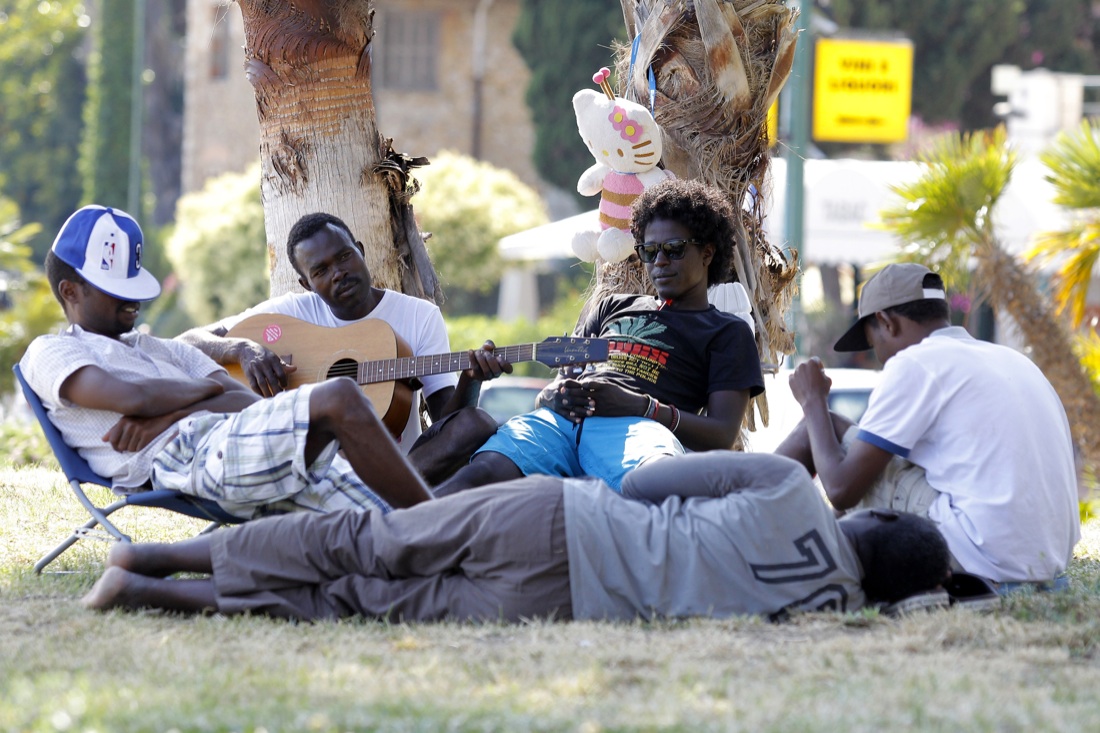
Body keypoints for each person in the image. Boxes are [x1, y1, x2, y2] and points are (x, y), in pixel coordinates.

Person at [80, 451, 951, 622]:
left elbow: (646, 481)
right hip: (557, 603)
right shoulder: (832, 609)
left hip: (560, 516)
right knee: (359, 600)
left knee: (361, 541)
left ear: (870, 516)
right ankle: (152, 594)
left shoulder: (796, 489)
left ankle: (154, 554)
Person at [20, 205, 433, 518]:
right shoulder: (52, 351)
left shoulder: (157, 348)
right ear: (70, 291)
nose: (134, 300)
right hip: (184, 459)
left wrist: (170, 411)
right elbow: (131, 397)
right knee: (340, 397)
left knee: (382, 518)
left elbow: (246, 401)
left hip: (242, 439)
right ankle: (434, 523)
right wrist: (204, 389)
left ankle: (442, 536)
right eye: (116, 288)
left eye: (134, 284)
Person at [434, 178, 765, 496]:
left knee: (657, 483)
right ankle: (393, 531)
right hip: (558, 425)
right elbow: (560, 384)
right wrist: (550, 396)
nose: (659, 262)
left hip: (638, 429)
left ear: (707, 253)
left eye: (674, 249)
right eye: (649, 251)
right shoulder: (611, 306)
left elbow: (722, 433)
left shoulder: (727, 331)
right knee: (482, 473)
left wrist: (642, 406)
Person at [776, 262, 1080, 587]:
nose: (881, 358)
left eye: (874, 344)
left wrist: (813, 402)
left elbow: (841, 490)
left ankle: (737, 531)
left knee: (813, 431)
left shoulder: (915, 363)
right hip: (1048, 561)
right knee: (843, 436)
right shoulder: (1013, 361)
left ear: (886, 322)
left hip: (983, 556)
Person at [177, 212, 509, 485]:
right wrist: (243, 349)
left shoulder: (418, 316)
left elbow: (445, 421)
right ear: (307, 284)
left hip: (397, 467)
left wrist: (470, 379)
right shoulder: (292, 312)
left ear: (361, 251)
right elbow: (186, 342)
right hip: (307, 468)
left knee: (476, 423)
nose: (338, 273)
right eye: (320, 270)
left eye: (344, 256)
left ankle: (378, 497)